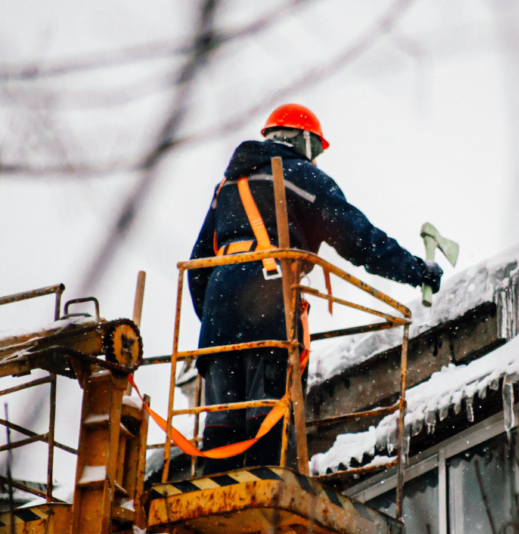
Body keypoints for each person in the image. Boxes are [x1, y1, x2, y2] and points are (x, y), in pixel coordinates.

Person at [188, 104, 442, 474]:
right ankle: (264, 496)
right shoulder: (301, 176)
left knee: (221, 428)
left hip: (218, 312)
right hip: (268, 300)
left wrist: (217, 318)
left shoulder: (227, 186)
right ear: (303, 141)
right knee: (267, 421)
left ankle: (210, 500)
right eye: (317, 151)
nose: (317, 160)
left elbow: (197, 267)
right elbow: (360, 241)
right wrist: (416, 271)